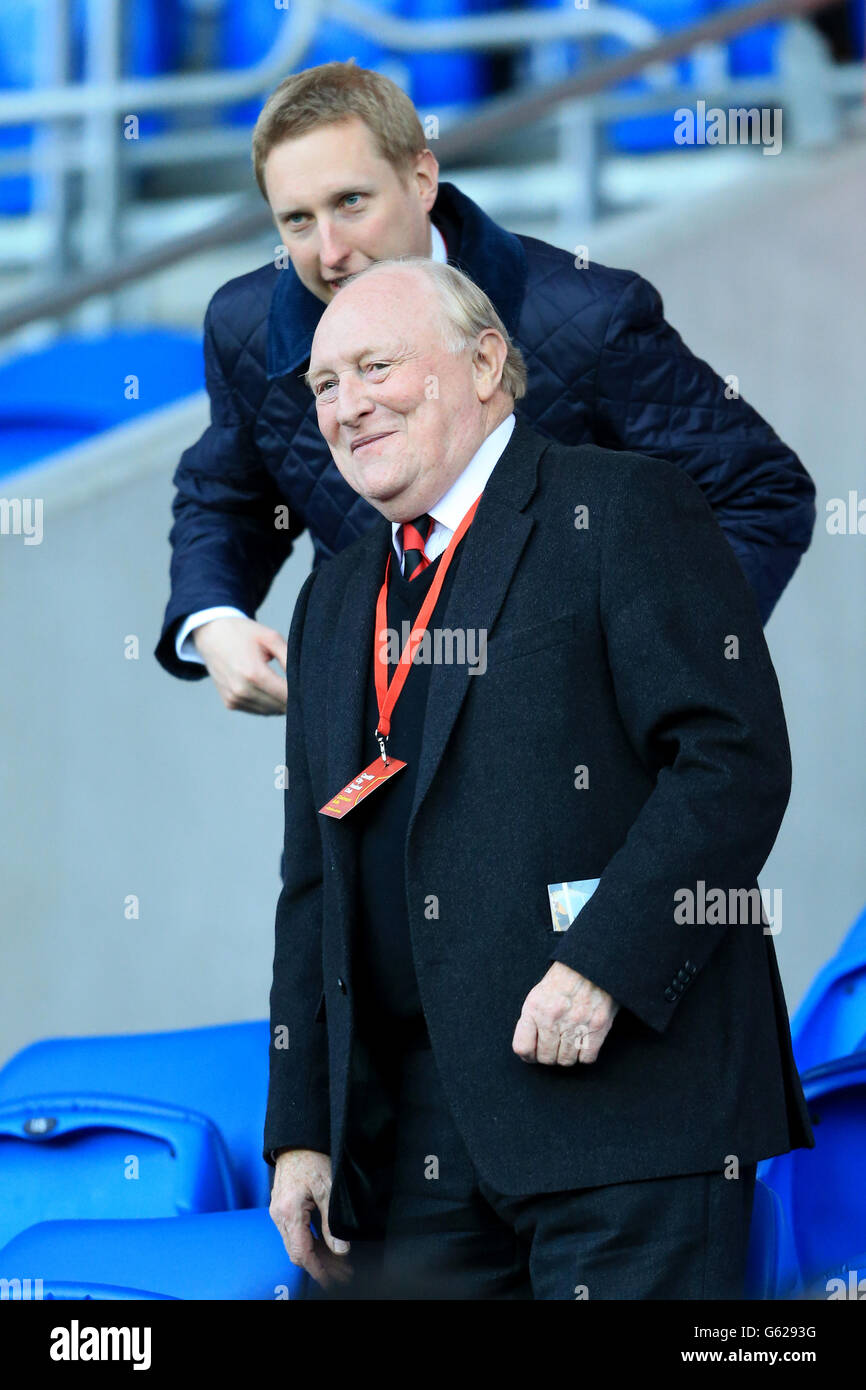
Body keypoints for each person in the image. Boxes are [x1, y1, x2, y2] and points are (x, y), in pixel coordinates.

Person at [263, 256, 814, 1301]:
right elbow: (311, 884)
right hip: (411, 1143)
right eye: (323, 385)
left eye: (374, 366)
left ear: (480, 362)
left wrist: (604, 962)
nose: (344, 405)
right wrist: (299, 1126)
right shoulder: (334, 596)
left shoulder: (620, 505)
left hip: (623, 1114)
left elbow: (729, 759)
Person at [154, 60, 815, 717]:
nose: (329, 252)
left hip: (575, 767)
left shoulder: (586, 318)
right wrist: (212, 620)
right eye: (297, 221)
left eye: (351, 203)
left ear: (420, 180)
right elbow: (229, 499)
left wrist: (647, 668)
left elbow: (760, 491)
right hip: (370, 745)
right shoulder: (245, 326)